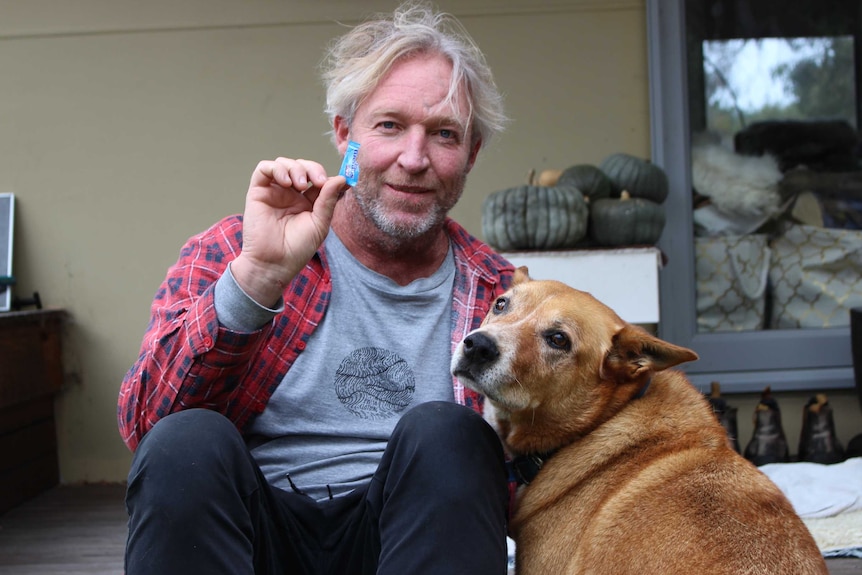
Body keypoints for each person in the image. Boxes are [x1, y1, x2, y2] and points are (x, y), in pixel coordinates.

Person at [117, 2, 515, 574]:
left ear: (471, 154)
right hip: (255, 542)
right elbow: (145, 430)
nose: (413, 158)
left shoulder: (501, 295)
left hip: (411, 541)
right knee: (186, 441)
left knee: (449, 433)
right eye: (389, 125)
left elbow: (541, 465)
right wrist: (257, 279)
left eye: (444, 135)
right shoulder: (236, 248)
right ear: (342, 134)